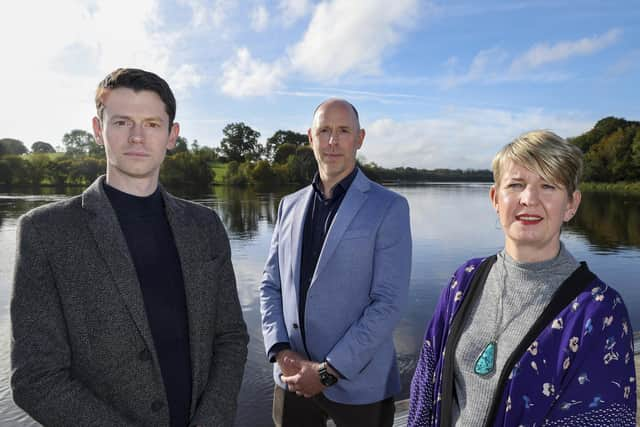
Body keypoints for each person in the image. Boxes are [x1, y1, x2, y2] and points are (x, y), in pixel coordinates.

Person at [11, 68, 249, 427]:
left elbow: (230, 336)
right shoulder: (45, 232)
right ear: (98, 130)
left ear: (172, 135)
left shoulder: (205, 226)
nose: (138, 137)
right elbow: (36, 379)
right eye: (122, 122)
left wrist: (212, 419)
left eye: (152, 124)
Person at [408, 130, 637, 426]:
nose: (529, 199)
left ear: (571, 204)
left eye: (548, 186)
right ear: (495, 198)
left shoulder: (599, 310)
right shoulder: (464, 281)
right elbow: (426, 385)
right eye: (516, 185)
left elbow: (600, 416)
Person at [259, 98, 412, 427]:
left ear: (360, 138)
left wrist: (328, 372)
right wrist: (282, 352)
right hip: (292, 380)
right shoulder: (288, 205)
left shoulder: (389, 208)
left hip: (360, 386)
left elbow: (388, 303)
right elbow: (271, 285)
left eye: (343, 131)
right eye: (324, 130)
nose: (332, 140)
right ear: (310, 138)